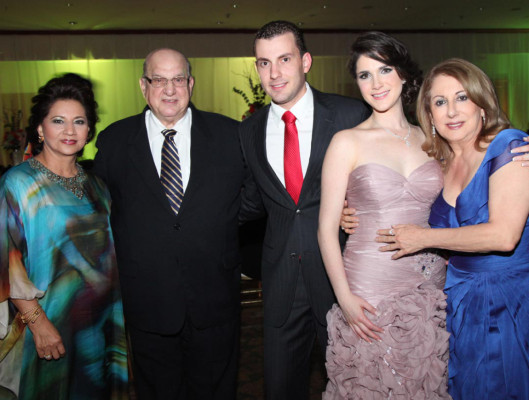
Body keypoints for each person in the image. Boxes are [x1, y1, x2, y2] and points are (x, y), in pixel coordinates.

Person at [93, 49, 244, 399]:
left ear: (191, 83)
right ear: (143, 86)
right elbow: (98, 211)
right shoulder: (114, 141)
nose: (170, 89)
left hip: (214, 297)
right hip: (148, 300)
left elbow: (254, 198)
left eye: (178, 79)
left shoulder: (230, 135)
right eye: (159, 80)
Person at [376, 58, 529, 399]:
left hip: (511, 300)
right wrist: (350, 213)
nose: (452, 111)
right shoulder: (439, 164)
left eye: (462, 97)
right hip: (458, 297)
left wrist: (424, 238)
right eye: (440, 102)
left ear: (482, 104)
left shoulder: (510, 146)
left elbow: (504, 236)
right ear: (429, 115)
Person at [239, 20, 370, 399]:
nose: (274, 73)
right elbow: (251, 201)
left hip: (342, 279)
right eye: (264, 63)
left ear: (306, 61)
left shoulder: (349, 114)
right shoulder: (248, 130)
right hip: (280, 281)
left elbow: (382, 177)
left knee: (353, 386)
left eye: (284, 59)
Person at [0, 73, 128, 399]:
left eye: (79, 122)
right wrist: (38, 324)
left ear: (89, 131)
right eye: (58, 121)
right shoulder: (19, 183)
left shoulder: (97, 186)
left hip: (104, 322)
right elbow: (6, 263)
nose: (70, 131)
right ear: (40, 129)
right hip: (49, 323)